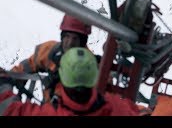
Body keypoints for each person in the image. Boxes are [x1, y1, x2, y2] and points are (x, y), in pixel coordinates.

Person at [0, 47, 139, 116]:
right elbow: (134, 110)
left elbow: (9, 110)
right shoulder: (117, 107)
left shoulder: (52, 113)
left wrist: (4, 84)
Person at [9, 14, 99, 102]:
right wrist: (9, 79)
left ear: (82, 42)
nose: (70, 43)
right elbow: (28, 65)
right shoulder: (50, 51)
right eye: (67, 36)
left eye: (75, 38)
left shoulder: (91, 65)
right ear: (62, 37)